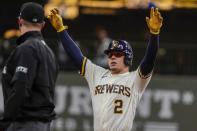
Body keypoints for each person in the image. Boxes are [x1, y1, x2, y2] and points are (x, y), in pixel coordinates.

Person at [48, 7, 163, 131]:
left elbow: (149, 60)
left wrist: (154, 34)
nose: (113, 57)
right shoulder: (97, 74)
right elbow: (76, 56)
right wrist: (61, 30)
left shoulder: (135, 79)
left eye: (118, 54)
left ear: (128, 58)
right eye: (110, 54)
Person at [0, 2, 58, 131]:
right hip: (42, 125)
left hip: (25, 124)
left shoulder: (26, 48)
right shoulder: (49, 51)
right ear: (42, 25)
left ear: (20, 21)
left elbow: (21, 89)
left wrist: (5, 122)